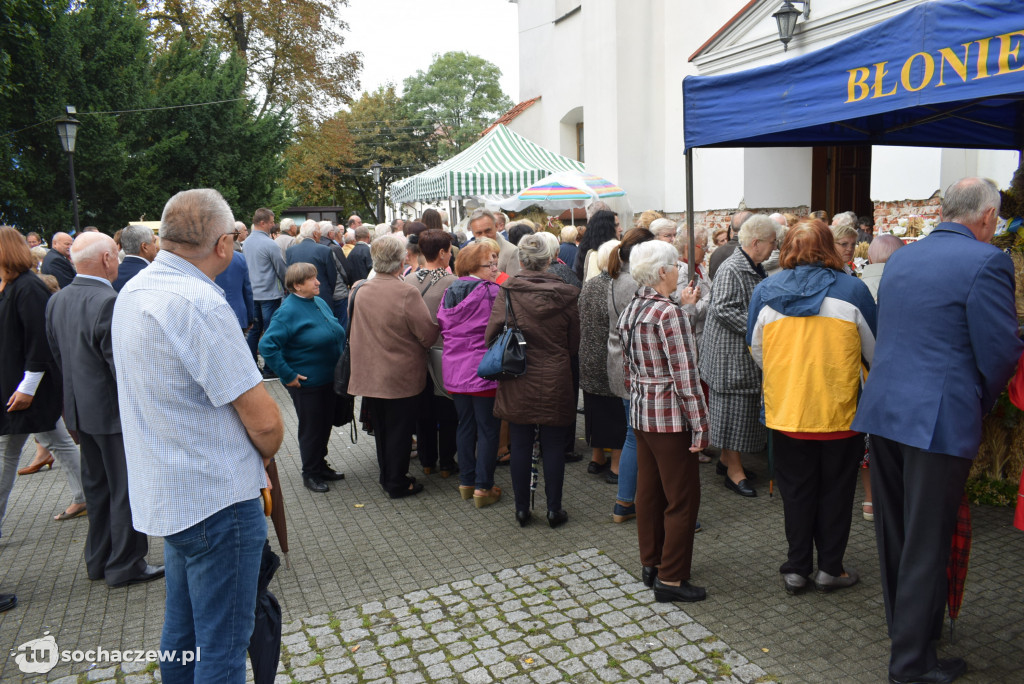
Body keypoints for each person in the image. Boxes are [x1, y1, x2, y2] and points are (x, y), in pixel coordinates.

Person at [852, 178, 1023, 684]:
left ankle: (909, 635)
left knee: (896, 535)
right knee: (927, 540)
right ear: (988, 217)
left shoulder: (901, 257)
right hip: (937, 417)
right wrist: (980, 400)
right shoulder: (988, 261)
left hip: (885, 409)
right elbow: (998, 352)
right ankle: (910, 663)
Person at [112, 188, 284, 683]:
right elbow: (265, 421)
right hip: (216, 499)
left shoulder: (137, 289)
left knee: (182, 635)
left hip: (171, 492)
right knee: (223, 649)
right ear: (225, 244)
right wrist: (264, 454)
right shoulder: (198, 302)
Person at [747, 220, 877, 596]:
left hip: (788, 409)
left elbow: (757, 351)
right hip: (841, 412)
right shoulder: (854, 290)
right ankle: (829, 568)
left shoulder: (765, 290)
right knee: (837, 492)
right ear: (831, 247)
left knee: (796, 492)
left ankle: (797, 567)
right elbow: (874, 350)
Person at [45, 232, 163, 587]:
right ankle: (125, 563)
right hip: (113, 414)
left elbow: (58, 358)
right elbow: (122, 368)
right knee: (126, 488)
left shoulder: (58, 299)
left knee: (98, 489)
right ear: (108, 259)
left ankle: (99, 560)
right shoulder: (109, 301)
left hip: (81, 410)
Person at [618, 240, 709, 603]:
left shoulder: (633, 307)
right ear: (662, 272)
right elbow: (686, 377)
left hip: (642, 412)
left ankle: (651, 563)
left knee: (650, 493)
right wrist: (701, 425)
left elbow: (628, 368)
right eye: (674, 266)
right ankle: (671, 578)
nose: (679, 270)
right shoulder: (667, 313)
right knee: (682, 499)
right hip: (669, 417)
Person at [485, 233, 580, 528]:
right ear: (549, 260)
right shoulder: (566, 294)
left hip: (518, 374)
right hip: (555, 375)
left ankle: (522, 509)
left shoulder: (509, 291)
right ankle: (554, 509)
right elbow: (573, 342)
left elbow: (491, 335)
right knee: (553, 444)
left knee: (521, 443)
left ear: (522, 260)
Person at [0, 226, 87, 530]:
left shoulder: (27, 288)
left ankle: (87, 495)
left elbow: (39, 340)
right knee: (57, 442)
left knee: (9, 452)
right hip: (20, 385)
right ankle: (86, 495)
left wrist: (28, 386)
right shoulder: (11, 286)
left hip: (27, 387)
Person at [348, 235, 438, 499]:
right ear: (401, 262)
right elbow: (427, 334)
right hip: (400, 374)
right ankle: (396, 482)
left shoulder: (360, 289)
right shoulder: (405, 291)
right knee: (399, 430)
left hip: (370, 373)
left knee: (383, 430)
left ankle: (387, 475)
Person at [699, 214, 778, 498]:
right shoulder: (733, 267)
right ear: (756, 243)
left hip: (737, 355)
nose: (774, 247)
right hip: (728, 357)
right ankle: (734, 472)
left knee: (739, 412)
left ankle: (726, 462)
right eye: (772, 242)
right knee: (733, 414)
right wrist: (760, 327)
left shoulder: (753, 265)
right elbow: (722, 308)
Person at [259, 263, 346, 493]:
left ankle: (320, 464)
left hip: (329, 379)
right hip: (308, 383)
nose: (318, 282)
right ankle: (310, 473)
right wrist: (288, 375)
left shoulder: (317, 302)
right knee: (312, 428)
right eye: (312, 279)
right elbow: (267, 345)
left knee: (325, 424)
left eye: (316, 277)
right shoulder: (287, 311)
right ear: (297, 285)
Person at [437, 239, 503, 507]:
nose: (495, 266)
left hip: (454, 368)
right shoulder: (491, 291)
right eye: (491, 262)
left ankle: (466, 481)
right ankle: (483, 488)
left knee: (465, 425)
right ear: (476, 265)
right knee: (488, 430)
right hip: (483, 368)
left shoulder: (450, 289)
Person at [606, 228, 657, 523]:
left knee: (634, 436)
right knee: (640, 439)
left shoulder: (618, 276)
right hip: (633, 367)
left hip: (620, 363)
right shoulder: (633, 282)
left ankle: (625, 503)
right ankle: (632, 503)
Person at [405, 229, 458, 477]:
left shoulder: (408, 281)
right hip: (444, 352)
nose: (450, 255)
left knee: (422, 410)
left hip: (415, 353)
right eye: (449, 251)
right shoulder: (453, 283)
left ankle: (427, 461)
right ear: (441, 252)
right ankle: (447, 462)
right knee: (447, 409)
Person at [578, 239, 625, 484]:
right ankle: (616, 465)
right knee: (616, 413)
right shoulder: (617, 287)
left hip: (588, 357)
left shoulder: (590, 285)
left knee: (594, 410)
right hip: (610, 358)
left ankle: (597, 458)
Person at [242, 207, 287, 377]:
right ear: (262, 223)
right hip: (269, 294)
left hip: (252, 294)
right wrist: (287, 285)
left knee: (254, 331)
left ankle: (252, 368)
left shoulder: (246, 243)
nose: (273, 225)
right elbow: (281, 269)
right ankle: (269, 369)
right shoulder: (270, 244)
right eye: (271, 221)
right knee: (270, 331)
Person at [286, 220, 340, 319]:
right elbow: (332, 276)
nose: (320, 234)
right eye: (319, 231)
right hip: (322, 296)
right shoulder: (325, 250)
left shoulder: (290, 251)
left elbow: (289, 275)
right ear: (315, 234)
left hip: (298, 296)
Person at [214, 247, 255, 335]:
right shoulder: (240, 258)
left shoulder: (203, 258)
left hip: (213, 318)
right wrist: (250, 317)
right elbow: (247, 291)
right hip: (238, 313)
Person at [468, 209, 520, 277]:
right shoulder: (469, 248)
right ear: (472, 233)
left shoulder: (511, 251)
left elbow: (512, 284)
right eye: (479, 233)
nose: (484, 236)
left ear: (496, 226)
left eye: (488, 231)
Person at [574, 210, 620, 282]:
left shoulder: (585, 251)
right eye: (616, 225)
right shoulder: (595, 256)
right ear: (607, 230)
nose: (621, 229)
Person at [112, 224, 158, 292]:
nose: (156, 247)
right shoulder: (153, 275)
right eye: (154, 242)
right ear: (144, 247)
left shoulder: (111, 273)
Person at [707, 211, 752, 281]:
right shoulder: (749, 250)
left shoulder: (715, 254)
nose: (726, 242)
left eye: (726, 239)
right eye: (722, 240)